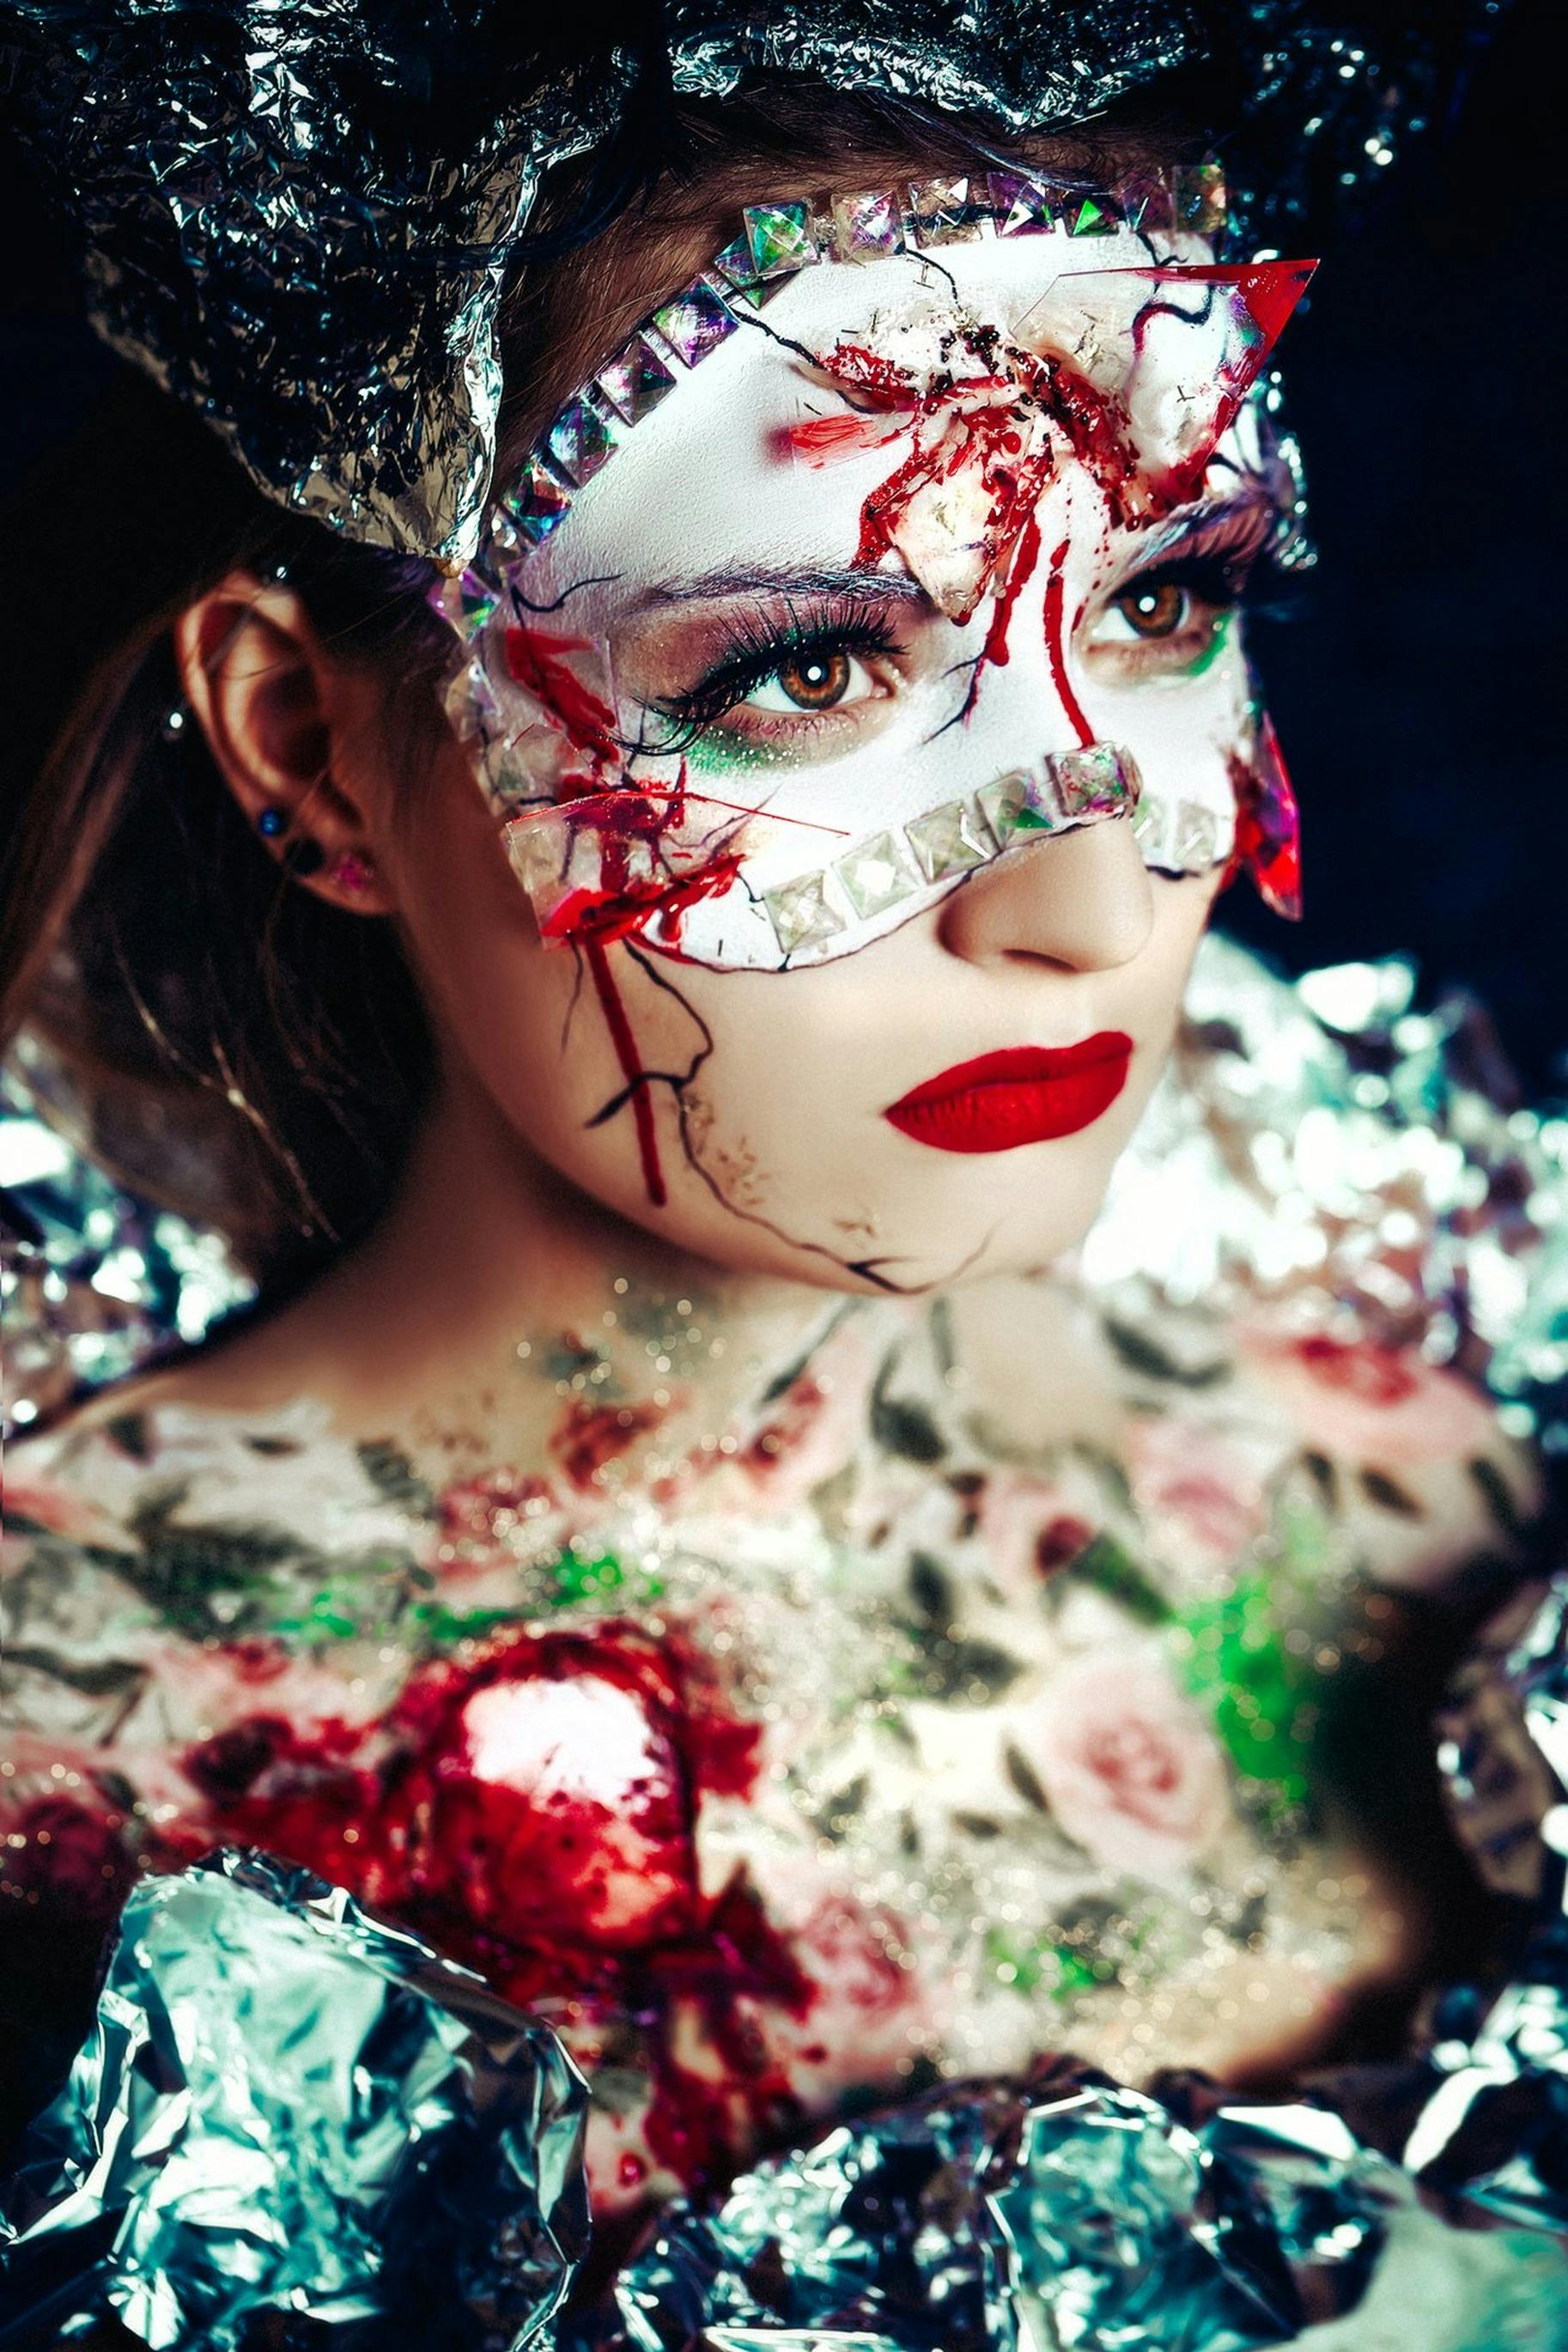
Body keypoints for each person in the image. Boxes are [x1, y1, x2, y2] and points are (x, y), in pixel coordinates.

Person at [2, 6, 1565, 2341]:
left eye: (1163, 601)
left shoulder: (1425, 1496)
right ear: (307, 739)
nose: (1083, 896)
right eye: (806, 667)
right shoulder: (67, 1785)